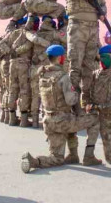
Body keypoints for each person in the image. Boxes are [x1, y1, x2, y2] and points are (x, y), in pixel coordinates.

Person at [21, 45, 101, 173]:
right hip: (63, 121)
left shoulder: (42, 75)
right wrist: (77, 92)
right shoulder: (63, 77)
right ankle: (89, 156)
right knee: (95, 119)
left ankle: (34, 161)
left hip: (49, 121)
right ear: (60, 58)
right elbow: (71, 100)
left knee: (57, 158)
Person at [56, 0, 107, 107]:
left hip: (93, 28)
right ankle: (73, 103)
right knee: (75, 65)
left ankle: (86, 101)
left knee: (89, 66)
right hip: (77, 27)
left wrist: (102, 12)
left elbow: (103, 3)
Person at [21, 15, 66, 128]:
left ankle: (35, 121)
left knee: (35, 95)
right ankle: (48, 119)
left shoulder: (36, 34)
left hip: (36, 69)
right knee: (50, 95)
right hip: (50, 69)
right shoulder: (55, 34)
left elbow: (28, 48)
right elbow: (66, 42)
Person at [9, 16, 38, 127]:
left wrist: (12, 52)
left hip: (12, 63)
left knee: (13, 89)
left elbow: (1, 44)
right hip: (23, 64)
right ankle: (24, 119)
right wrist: (20, 50)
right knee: (24, 91)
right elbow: (32, 45)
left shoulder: (12, 33)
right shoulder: (29, 33)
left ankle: (11, 118)